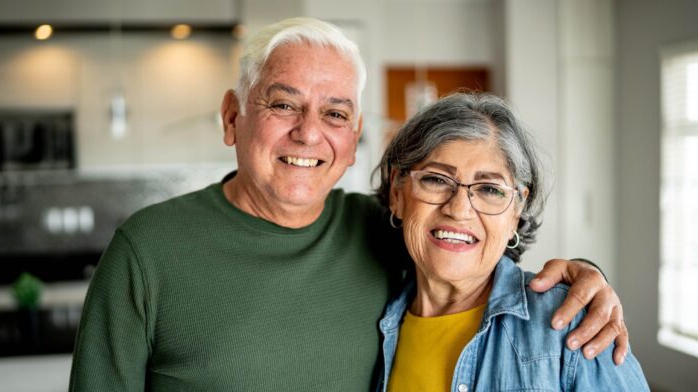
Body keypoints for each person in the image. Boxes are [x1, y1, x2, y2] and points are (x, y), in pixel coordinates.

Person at [69, 17, 628, 391]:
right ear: (233, 116)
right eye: (283, 104)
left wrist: (587, 278)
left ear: (354, 134)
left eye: (334, 114)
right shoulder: (147, 250)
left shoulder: (383, 231)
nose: (309, 134)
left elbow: (474, 254)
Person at [374, 92, 648, 391]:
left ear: (517, 211)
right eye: (436, 179)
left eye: (490, 189)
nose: (458, 209)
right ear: (397, 193)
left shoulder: (570, 323)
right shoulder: (374, 318)